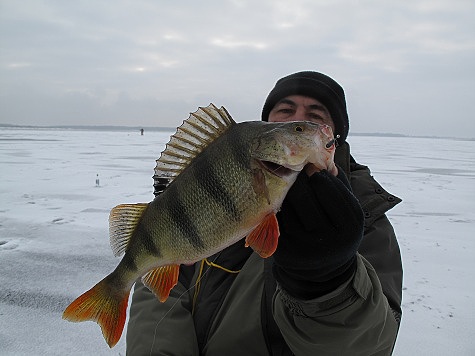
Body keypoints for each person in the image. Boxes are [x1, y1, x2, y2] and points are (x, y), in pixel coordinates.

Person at [126, 71, 403, 355]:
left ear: (334, 136)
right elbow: (160, 293)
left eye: (315, 115)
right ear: (267, 125)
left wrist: (329, 279)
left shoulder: (366, 216)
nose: (299, 120)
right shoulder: (238, 177)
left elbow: (371, 345)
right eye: (286, 112)